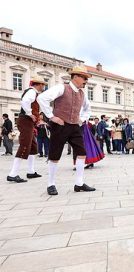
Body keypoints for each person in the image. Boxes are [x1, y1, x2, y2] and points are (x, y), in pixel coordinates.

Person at [37, 65, 96, 195]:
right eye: (84, 78)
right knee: (55, 154)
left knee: (82, 152)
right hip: (60, 125)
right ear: (75, 77)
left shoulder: (82, 94)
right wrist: (52, 117)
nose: (86, 81)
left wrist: (83, 119)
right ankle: (51, 184)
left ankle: (79, 183)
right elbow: (42, 98)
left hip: (75, 125)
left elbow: (87, 108)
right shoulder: (62, 87)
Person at [6, 76, 47, 183]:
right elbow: (24, 102)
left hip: (28, 122)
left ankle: (31, 171)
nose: (44, 86)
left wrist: (36, 119)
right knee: (24, 145)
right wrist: (30, 114)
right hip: (25, 121)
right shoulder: (32, 92)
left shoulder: (34, 93)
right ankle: (13, 174)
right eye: (43, 84)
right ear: (39, 84)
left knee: (33, 146)